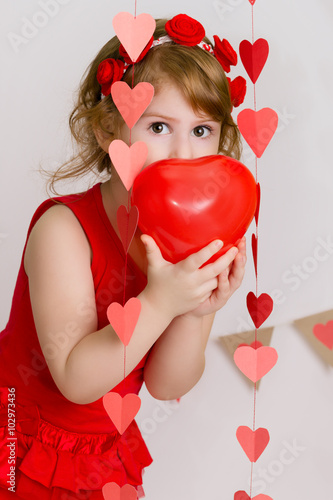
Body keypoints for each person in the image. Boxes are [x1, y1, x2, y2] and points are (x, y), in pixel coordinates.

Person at [0, 13, 247, 500]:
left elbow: (165, 383)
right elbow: (75, 378)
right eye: (158, 126)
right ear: (106, 130)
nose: (183, 151)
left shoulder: (190, 236)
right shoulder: (64, 231)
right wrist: (160, 302)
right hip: (19, 439)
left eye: (202, 130)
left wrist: (196, 310)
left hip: (100, 449)